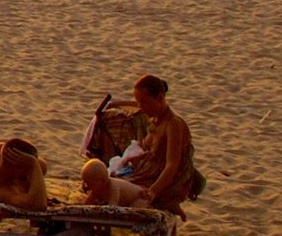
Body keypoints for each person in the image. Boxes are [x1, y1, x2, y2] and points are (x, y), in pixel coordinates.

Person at [79, 74, 195, 213]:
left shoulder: (173, 124)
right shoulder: (156, 119)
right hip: (147, 171)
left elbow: (172, 165)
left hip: (163, 181)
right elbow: (150, 148)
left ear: (159, 98)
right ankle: (85, 211)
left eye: (144, 102)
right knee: (103, 182)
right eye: (138, 102)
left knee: (109, 185)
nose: (141, 107)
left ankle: (167, 201)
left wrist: (153, 191)